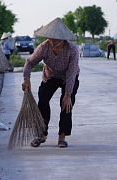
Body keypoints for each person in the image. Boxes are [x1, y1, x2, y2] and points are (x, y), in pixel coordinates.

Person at [22, 17, 80, 148]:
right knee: (42, 99)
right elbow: (30, 62)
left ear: (63, 39)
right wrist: (26, 78)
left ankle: (62, 137)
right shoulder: (44, 47)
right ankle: (41, 134)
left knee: (66, 105)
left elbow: (71, 73)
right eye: (50, 38)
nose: (53, 42)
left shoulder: (72, 50)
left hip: (68, 78)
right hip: (50, 76)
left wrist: (67, 95)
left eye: (56, 40)